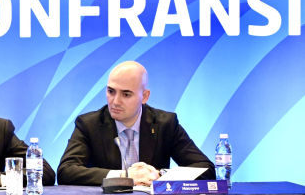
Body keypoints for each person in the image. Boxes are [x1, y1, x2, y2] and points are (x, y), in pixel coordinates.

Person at [57, 61, 214, 186]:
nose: (115, 101)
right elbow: (66, 171)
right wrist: (124, 177)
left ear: (144, 96)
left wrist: (160, 175)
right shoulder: (89, 124)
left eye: (126, 94)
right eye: (111, 91)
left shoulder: (165, 124)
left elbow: (206, 168)